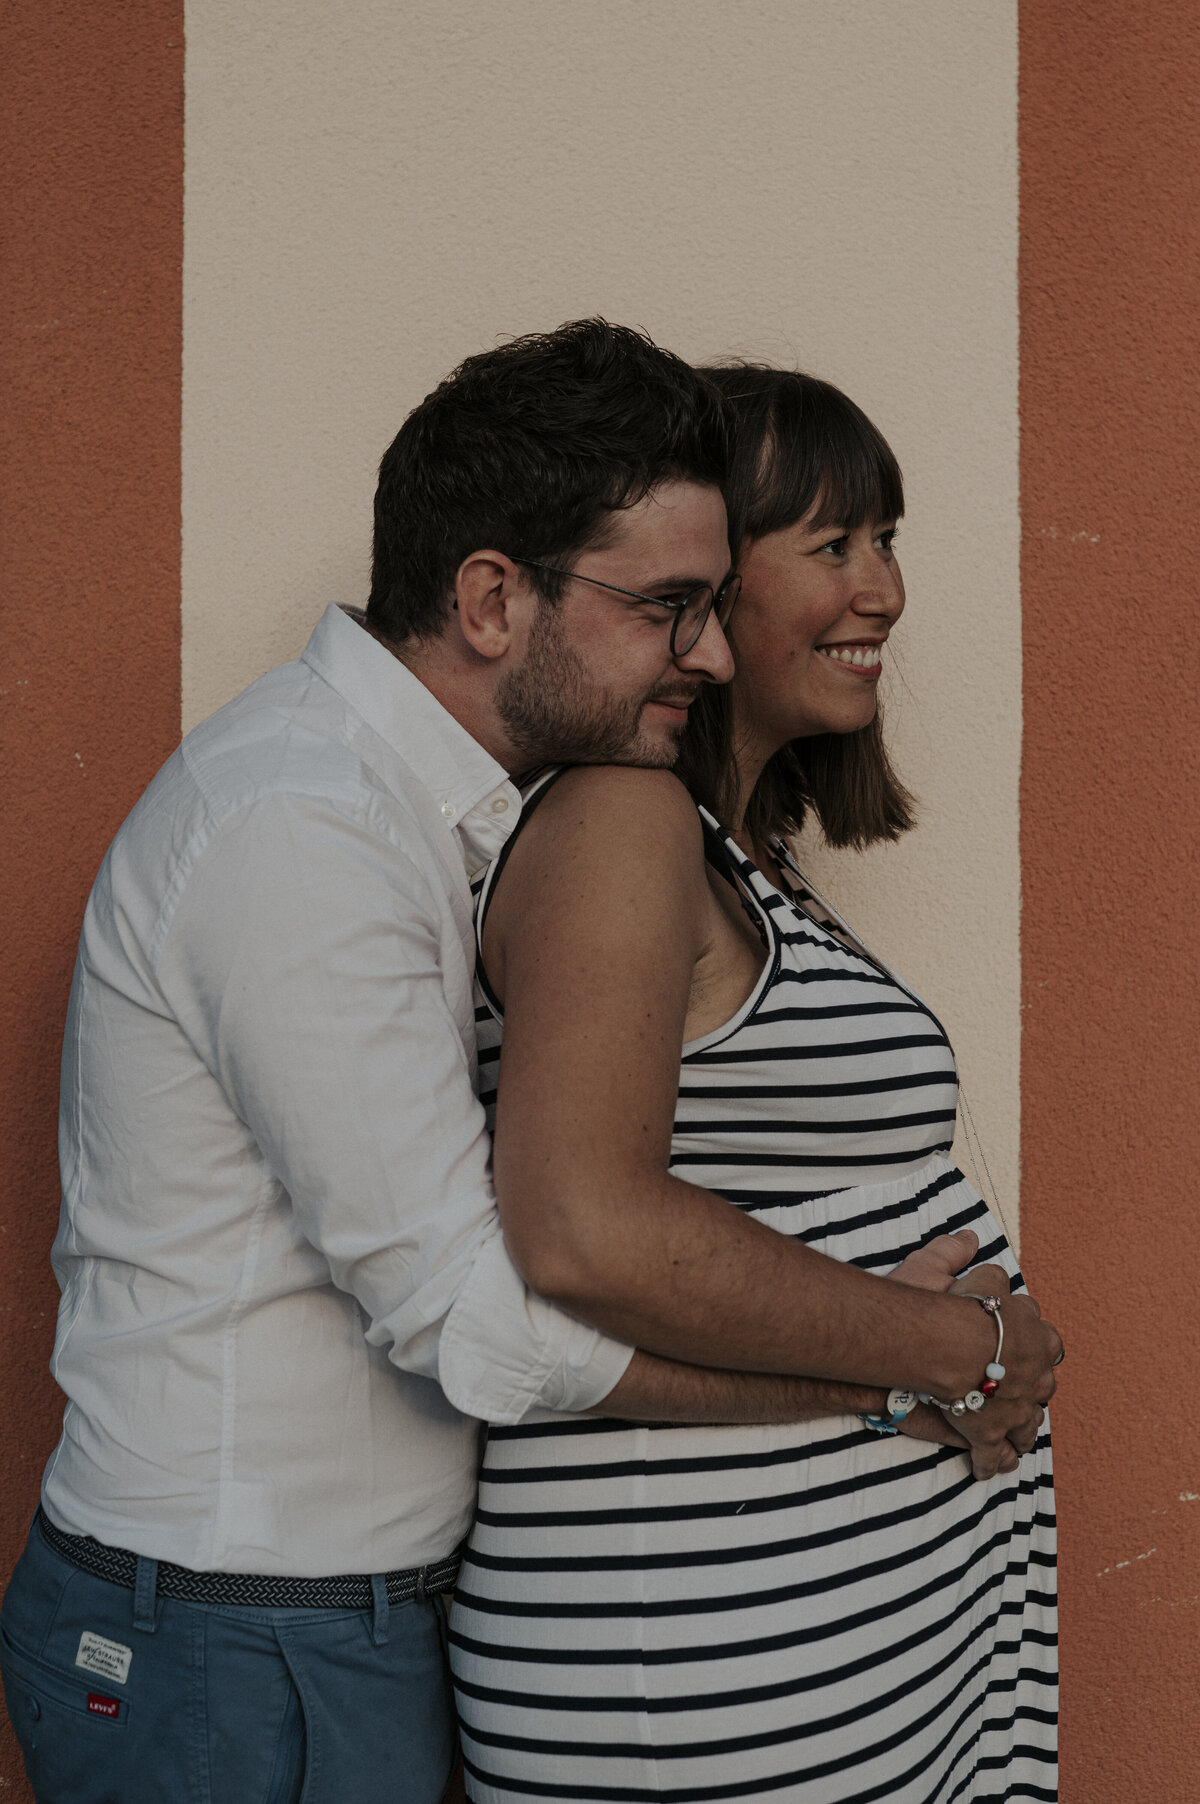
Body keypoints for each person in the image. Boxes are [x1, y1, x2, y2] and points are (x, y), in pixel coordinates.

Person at [449, 366, 1059, 1801]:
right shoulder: (620, 822)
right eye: (834, 545)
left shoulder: (735, 853)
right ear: (713, 582)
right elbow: (584, 1231)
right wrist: (948, 1348)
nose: (887, 590)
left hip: (805, 1642)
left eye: (888, 539)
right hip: (703, 1647)